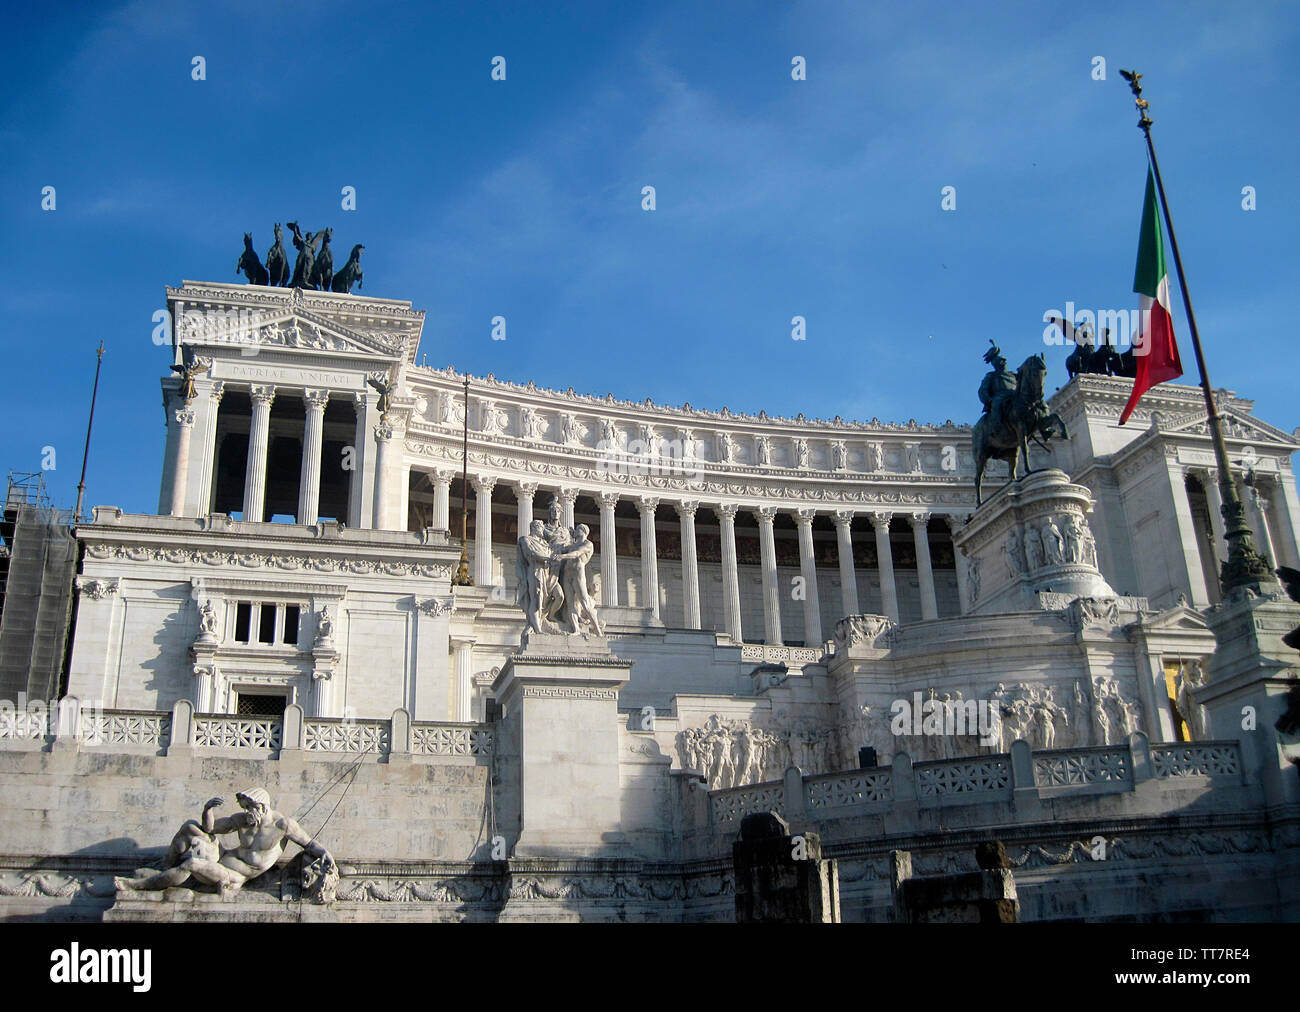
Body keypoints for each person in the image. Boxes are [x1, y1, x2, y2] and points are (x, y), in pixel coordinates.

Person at [116, 788, 332, 897]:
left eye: (249, 807)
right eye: (245, 806)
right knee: (190, 827)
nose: (246, 811)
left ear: (262, 807)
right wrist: (207, 810)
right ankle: (167, 866)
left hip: (234, 876)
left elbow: (309, 843)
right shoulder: (241, 820)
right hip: (222, 857)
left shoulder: (283, 825)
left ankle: (138, 886)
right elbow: (209, 829)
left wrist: (326, 855)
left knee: (192, 864)